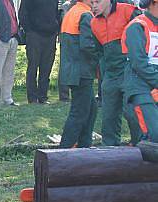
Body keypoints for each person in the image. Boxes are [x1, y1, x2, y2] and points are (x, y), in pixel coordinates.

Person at [91, 0, 141, 145]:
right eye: (92, 2)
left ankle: (141, 147)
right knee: (108, 116)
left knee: (132, 112)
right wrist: (104, 75)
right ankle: (109, 151)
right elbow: (100, 52)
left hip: (130, 69)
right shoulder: (94, 23)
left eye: (97, 1)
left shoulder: (128, 11)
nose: (94, 5)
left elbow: (145, 37)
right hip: (110, 72)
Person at [59, 0, 98, 148]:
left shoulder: (72, 11)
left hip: (72, 69)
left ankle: (84, 147)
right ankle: (64, 150)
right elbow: (88, 45)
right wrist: (102, 54)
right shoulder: (85, 15)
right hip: (81, 71)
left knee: (91, 110)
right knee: (79, 113)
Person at [121, 0, 158, 141]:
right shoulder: (137, 27)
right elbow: (139, 63)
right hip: (140, 86)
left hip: (153, 82)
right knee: (154, 135)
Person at [19, 0, 60, 104]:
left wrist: (55, 28)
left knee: (47, 67)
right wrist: (29, 31)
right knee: (33, 66)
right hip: (34, 35)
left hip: (50, 35)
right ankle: (32, 98)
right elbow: (23, 14)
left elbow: (55, 12)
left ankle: (43, 96)